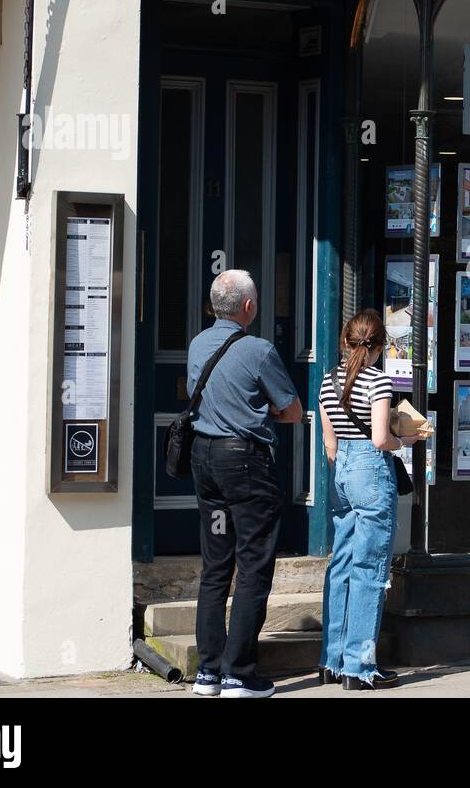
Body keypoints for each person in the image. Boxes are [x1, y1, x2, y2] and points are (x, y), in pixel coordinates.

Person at [186, 269, 302, 699]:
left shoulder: (198, 344)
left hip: (205, 459)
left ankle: (208, 672)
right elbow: (292, 410)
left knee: (216, 565)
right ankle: (238, 673)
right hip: (245, 463)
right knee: (253, 564)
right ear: (249, 307)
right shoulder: (258, 350)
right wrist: (261, 411)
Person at [317, 309, 427, 691]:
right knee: (370, 567)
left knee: (341, 564)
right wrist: (407, 440)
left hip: (342, 470)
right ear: (379, 347)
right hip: (370, 469)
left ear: (345, 343)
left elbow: (329, 444)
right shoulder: (378, 381)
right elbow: (381, 439)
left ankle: (331, 661)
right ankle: (360, 666)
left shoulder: (328, 381)